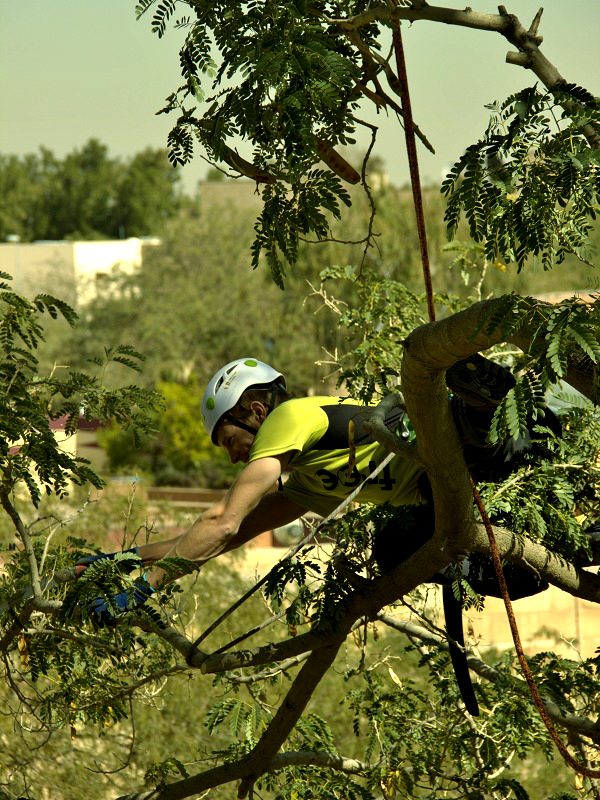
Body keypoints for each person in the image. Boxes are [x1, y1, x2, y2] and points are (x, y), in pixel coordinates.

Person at [79, 355, 558, 626]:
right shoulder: (307, 484)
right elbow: (226, 537)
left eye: (230, 440)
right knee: (396, 549)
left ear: (254, 411)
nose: (232, 457)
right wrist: (125, 560)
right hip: (453, 493)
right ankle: (569, 552)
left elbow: (220, 519)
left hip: (493, 445)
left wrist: (143, 590)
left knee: (475, 446)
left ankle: (482, 402)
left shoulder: (290, 417)